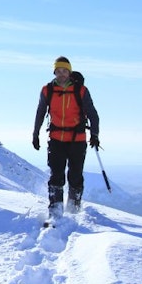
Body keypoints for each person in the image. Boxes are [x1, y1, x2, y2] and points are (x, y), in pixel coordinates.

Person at [32, 56, 100, 216]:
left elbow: (93, 114)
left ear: (69, 72)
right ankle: (55, 211)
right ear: (54, 72)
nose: (61, 74)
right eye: (58, 71)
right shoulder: (47, 90)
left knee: (75, 176)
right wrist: (35, 134)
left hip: (77, 139)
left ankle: (73, 209)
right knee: (56, 175)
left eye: (64, 71)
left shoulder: (81, 90)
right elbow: (40, 112)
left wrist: (95, 134)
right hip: (56, 138)